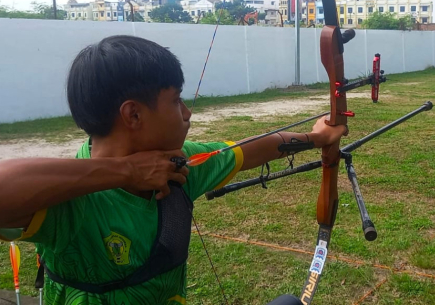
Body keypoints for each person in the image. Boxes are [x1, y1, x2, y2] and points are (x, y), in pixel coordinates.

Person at [0, 35, 347, 305]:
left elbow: (251, 148)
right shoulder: (72, 200)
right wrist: (125, 172)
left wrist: (314, 138)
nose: (187, 112)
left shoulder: (178, 166)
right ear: (133, 115)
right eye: (175, 100)